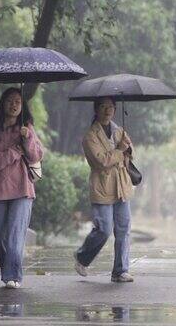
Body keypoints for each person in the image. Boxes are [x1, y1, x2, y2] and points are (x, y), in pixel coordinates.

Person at [0, 87, 44, 289]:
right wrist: (13, 152)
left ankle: (12, 276)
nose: (14, 105)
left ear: (23, 106)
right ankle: (7, 265)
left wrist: (27, 139)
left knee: (16, 233)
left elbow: (36, 156)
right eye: (10, 101)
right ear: (2, 104)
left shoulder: (27, 128)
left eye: (18, 102)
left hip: (22, 188)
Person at [74, 96, 135, 283]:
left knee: (124, 229)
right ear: (96, 109)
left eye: (111, 107)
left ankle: (120, 271)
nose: (108, 110)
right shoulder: (90, 136)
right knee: (104, 229)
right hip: (102, 187)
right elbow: (101, 161)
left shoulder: (119, 131)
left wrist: (127, 148)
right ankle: (82, 257)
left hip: (122, 186)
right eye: (103, 106)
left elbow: (129, 155)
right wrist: (119, 150)